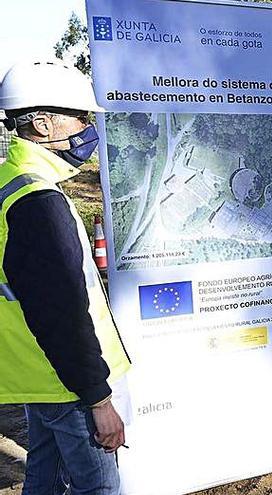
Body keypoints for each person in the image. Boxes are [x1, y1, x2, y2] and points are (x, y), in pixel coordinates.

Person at [0, 60, 131, 494]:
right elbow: (62, 311)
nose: (86, 128)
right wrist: (98, 398)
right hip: (67, 383)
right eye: (80, 117)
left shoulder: (11, 182)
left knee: (45, 479)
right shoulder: (37, 202)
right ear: (41, 123)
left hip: (40, 374)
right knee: (100, 488)